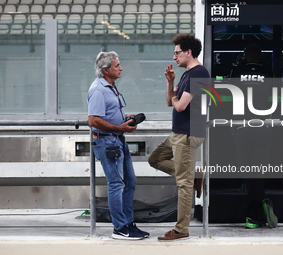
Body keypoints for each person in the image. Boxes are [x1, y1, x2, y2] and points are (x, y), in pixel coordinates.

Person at [148, 34, 210, 241]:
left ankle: (181, 229)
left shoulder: (198, 73)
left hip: (187, 134)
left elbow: (180, 105)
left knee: (184, 183)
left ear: (188, 52)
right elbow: (170, 101)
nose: (174, 57)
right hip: (179, 132)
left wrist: (175, 98)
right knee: (154, 159)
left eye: (177, 53)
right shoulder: (186, 75)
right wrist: (170, 82)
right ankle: (194, 176)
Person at [87, 51, 149, 240]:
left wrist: (126, 119)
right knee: (116, 184)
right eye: (117, 66)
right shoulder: (98, 89)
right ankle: (120, 228)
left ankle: (129, 223)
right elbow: (93, 120)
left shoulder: (111, 87)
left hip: (117, 138)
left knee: (130, 182)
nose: (121, 68)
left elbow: (108, 113)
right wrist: (117, 127)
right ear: (106, 70)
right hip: (107, 141)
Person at [230, 43, 278, 229]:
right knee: (258, 170)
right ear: (261, 57)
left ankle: (253, 214)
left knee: (246, 171)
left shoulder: (236, 71)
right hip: (264, 127)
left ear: (245, 56)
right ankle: (261, 202)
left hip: (242, 127)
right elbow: (275, 99)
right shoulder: (269, 73)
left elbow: (229, 98)